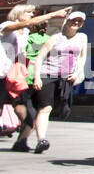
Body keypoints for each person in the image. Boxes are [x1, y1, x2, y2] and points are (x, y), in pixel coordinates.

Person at [3, 5, 69, 151]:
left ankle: (21, 141)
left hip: (13, 76)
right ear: (18, 14)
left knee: (29, 112)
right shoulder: (6, 26)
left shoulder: (25, 33)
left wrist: (32, 65)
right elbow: (27, 23)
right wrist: (53, 15)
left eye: (32, 13)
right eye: (28, 12)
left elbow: (22, 54)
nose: (32, 15)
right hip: (2, 74)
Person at [29, 11, 88, 151]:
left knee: (54, 108)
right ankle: (41, 140)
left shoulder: (82, 37)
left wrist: (77, 73)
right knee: (45, 108)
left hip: (66, 78)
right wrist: (37, 77)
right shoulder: (55, 38)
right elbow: (40, 57)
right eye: (74, 20)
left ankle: (25, 136)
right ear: (67, 21)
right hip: (48, 75)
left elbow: (82, 57)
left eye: (79, 21)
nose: (76, 23)